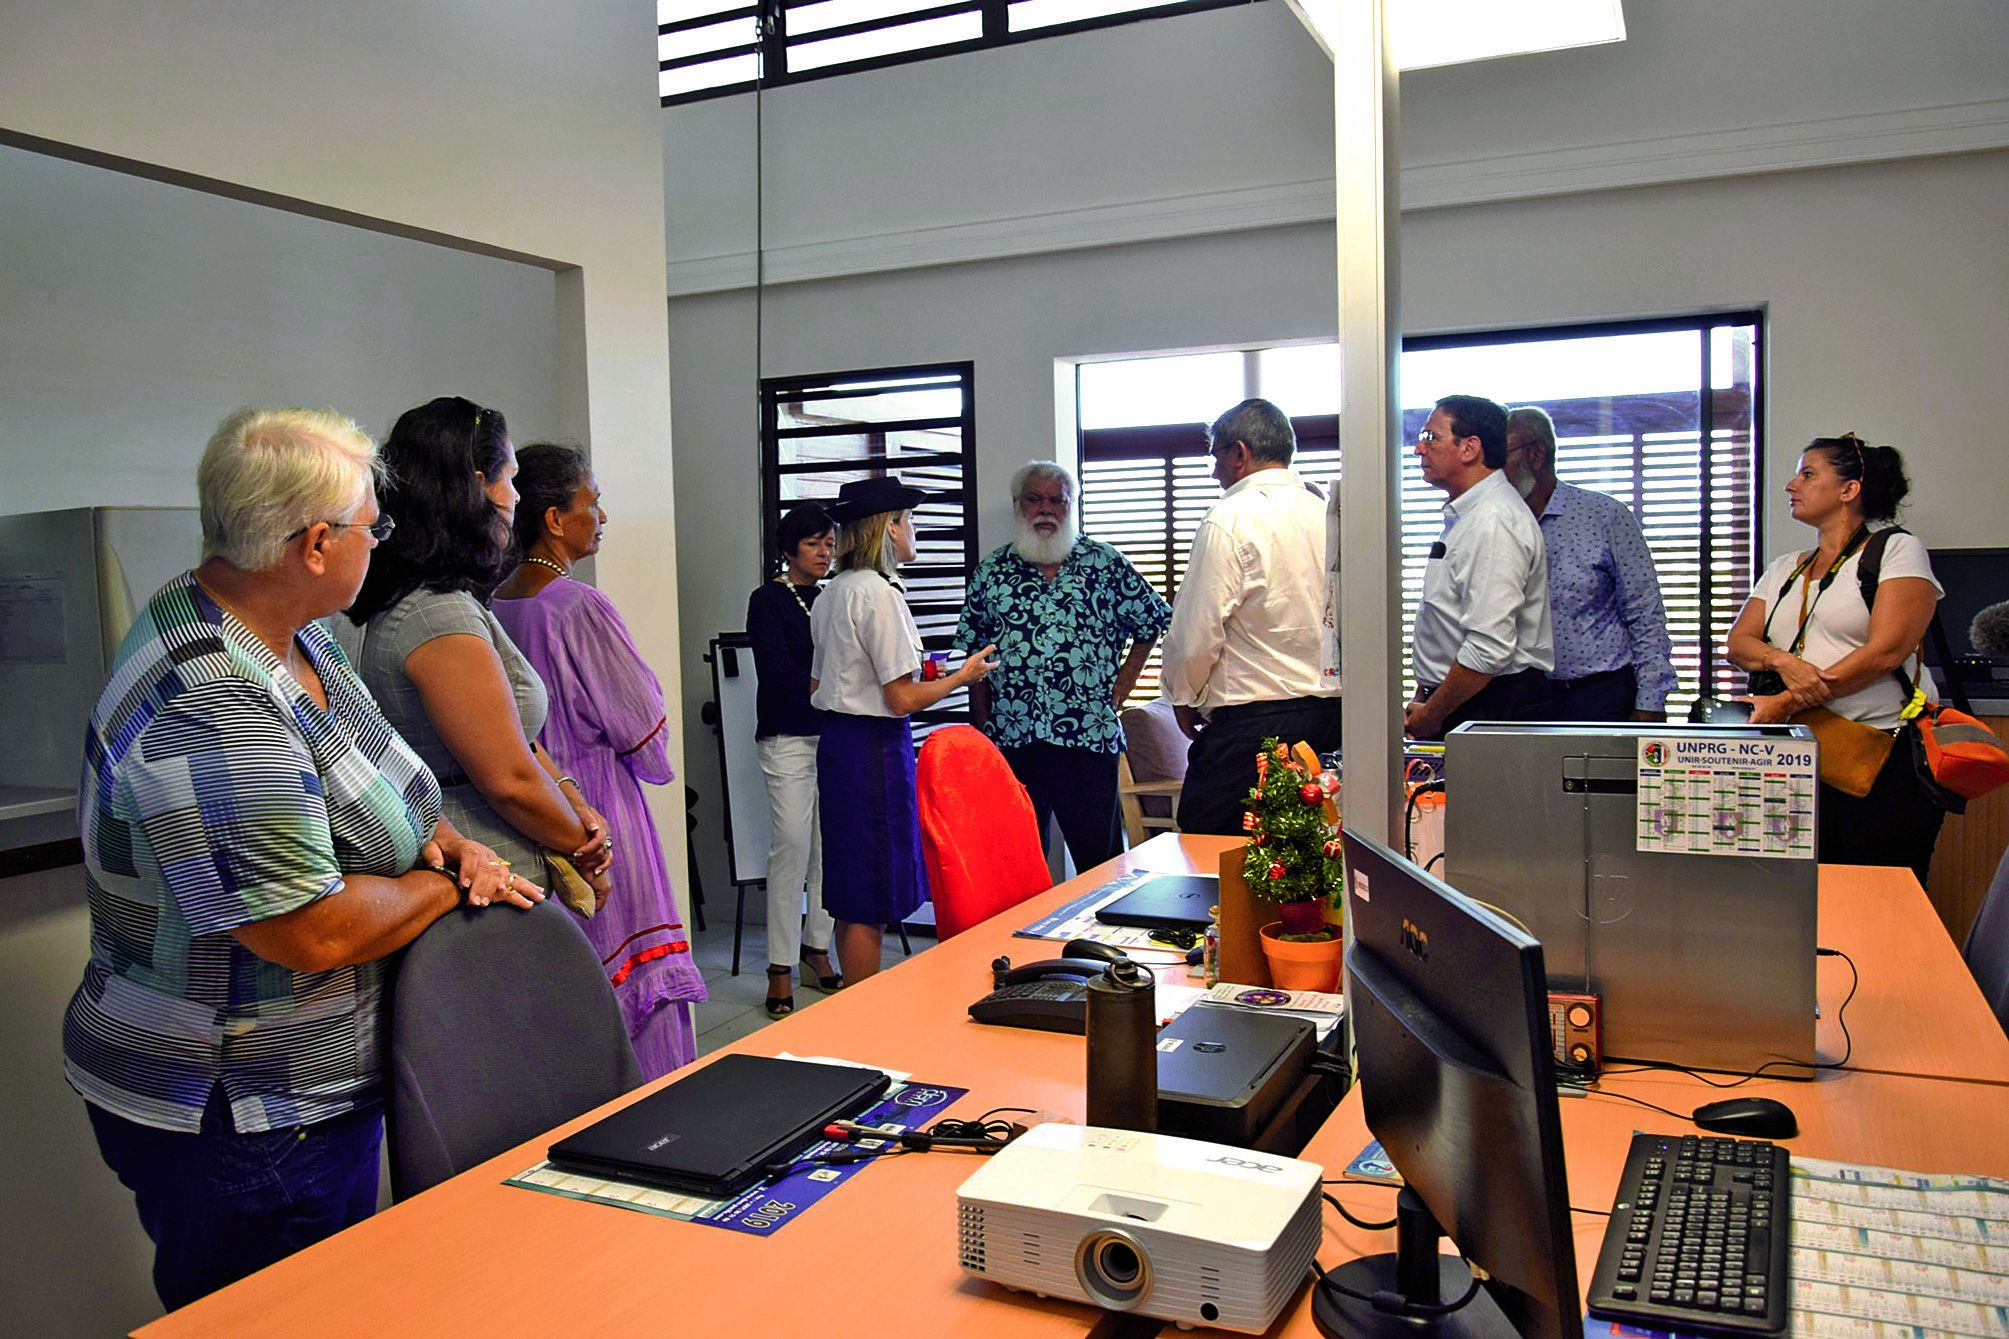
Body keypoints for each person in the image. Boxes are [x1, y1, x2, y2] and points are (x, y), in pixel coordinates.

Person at [63, 408, 537, 1312]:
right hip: (246, 1109)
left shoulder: (292, 627)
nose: (381, 542)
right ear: (316, 544)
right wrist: (442, 884)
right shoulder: (215, 700)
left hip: (300, 1087)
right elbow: (310, 932)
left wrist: (447, 840)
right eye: (374, 525)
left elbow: (387, 786)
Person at [338, 398, 613, 932]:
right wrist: (585, 847)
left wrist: (573, 798)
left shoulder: (447, 601)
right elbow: (507, 778)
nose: (516, 498)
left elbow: (515, 740)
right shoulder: (436, 614)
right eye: (510, 480)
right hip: (483, 877)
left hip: (500, 857)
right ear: (475, 487)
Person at [492, 444, 707, 1077]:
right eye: (593, 500)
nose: (603, 515)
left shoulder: (493, 604)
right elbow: (644, 734)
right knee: (640, 991)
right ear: (555, 519)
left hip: (532, 813)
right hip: (600, 811)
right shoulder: (578, 606)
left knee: (574, 982)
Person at [1726, 434, 1945, 881]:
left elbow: (1885, 651)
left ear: (1849, 490)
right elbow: (1739, 644)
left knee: (1881, 896)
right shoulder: (1787, 566)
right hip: (1793, 761)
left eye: (1808, 474)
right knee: (1800, 900)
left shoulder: (1897, 550)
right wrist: (1785, 663)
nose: (1791, 484)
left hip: (1879, 759)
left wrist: (1787, 701)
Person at [809, 477, 997, 984]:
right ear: (888, 529)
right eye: (909, 520)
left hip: (838, 743)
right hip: (874, 746)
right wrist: (964, 676)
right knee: (871, 890)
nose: (915, 530)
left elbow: (817, 683)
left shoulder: (831, 592)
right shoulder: (878, 593)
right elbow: (901, 698)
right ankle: (867, 1014)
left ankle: (853, 1003)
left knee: (852, 888)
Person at [956, 461, 1171, 869]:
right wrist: (985, 723)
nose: (1046, 509)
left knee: (1100, 861)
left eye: (1057, 500)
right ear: (1018, 505)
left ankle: (1103, 934)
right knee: (1018, 860)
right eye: (1035, 499)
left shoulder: (1104, 563)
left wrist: (1123, 685)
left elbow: (1153, 621)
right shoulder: (992, 573)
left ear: (1071, 505)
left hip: (1088, 737)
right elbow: (974, 652)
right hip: (1014, 738)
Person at [1160, 399, 1339, 836]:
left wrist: (1182, 696)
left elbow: (1197, 631)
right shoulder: (1327, 514)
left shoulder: (1230, 517)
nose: (1213, 472)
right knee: (1308, 859)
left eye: (1215, 456)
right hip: (1330, 721)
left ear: (1239, 453)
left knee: (1211, 851)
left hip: (1255, 729)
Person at [1504, 405, 1677, 721]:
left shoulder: (1605, 516)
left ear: (1536, 455)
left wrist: (1650, 701)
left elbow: (1645, 614)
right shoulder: (1498, 526)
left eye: (1502, 455)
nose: (1493, 470)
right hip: (1522, 699)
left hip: (1599, 695)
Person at [1405, 394, 1554, 741]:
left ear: (1470, 448)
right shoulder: (1470, 514)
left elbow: (1488, 648)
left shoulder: (1493, 520)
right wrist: (1424, 695)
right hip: (1463, 698)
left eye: (1431, 437)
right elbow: (1446, 622)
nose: (1419, 449)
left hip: (1490, 704)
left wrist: (1434, 713)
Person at [742, 502, 842, 1018]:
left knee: (829, 846)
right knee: (792, 845)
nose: (825, 552)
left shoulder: (832, 596)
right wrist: (835, 689)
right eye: (813, 544)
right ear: (788, 550)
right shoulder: (768, 599)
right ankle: (779, 966)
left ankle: (816, 949)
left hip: (836, 735)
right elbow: (778, 674)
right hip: (787, 736)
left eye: (829, 542)